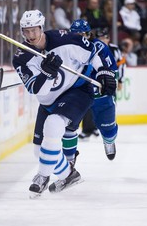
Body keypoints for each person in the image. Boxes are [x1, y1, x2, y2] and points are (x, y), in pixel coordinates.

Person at [12, 11, 116, 196]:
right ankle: (69, 175)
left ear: (41, 27)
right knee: (39, 151)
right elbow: (39, 90)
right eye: (26, 31)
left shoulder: (65, 39)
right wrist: (46, 73)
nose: (31, 35)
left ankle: (42, 177)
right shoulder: (21, 57)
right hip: (48, 101)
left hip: (76, 90)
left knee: (54, 124)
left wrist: (103, 72)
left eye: (34, 30)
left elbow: (93, 52)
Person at [78, 28, 123, 162]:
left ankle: (108, 138)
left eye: (82, 34)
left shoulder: (101, 47)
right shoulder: (67, 46)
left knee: (107, 121)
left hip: (101, 86)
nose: (80, 37)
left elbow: (115, 67)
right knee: (65, 123)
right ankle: (67, 154)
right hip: (79, 89)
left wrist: (116, 79)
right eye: (77, 34)